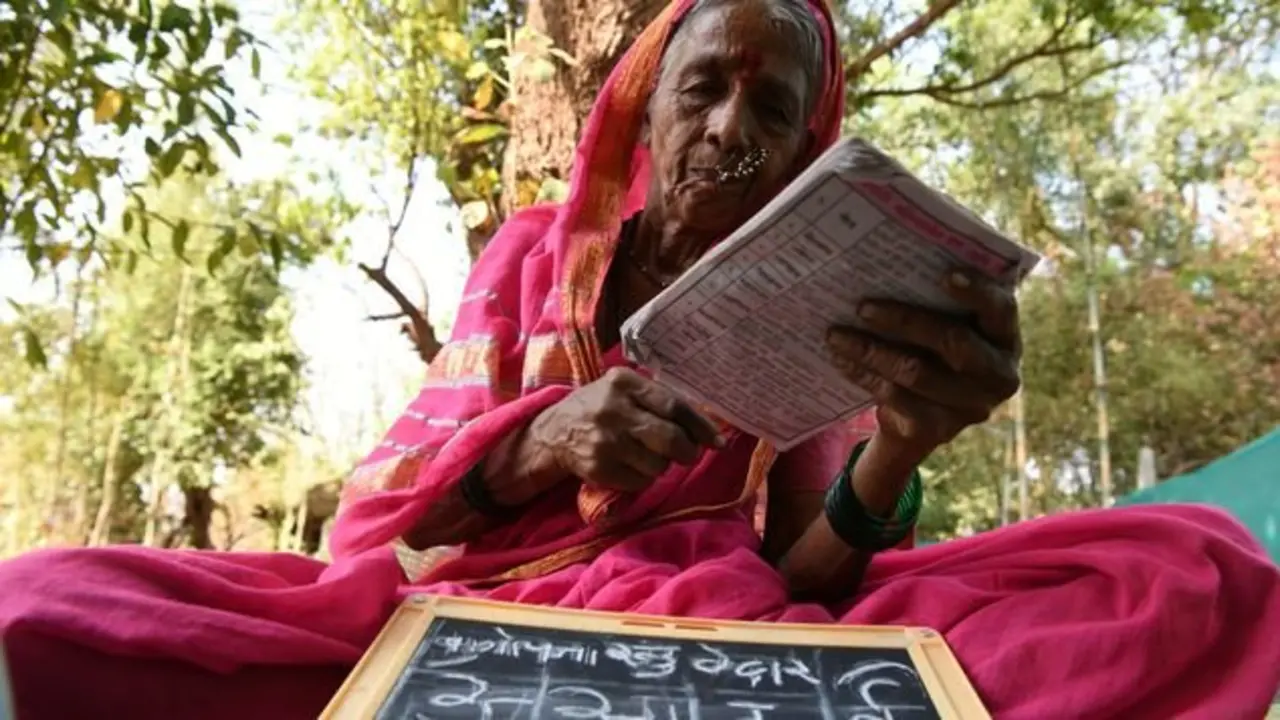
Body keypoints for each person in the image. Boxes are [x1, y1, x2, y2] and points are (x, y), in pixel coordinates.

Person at [1, 0, 1278, 717]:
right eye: (704, 87)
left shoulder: (833, 302)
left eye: (772, 107)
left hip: (728, 636)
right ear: (644, 109)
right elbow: (375, 534)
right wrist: (535, 445)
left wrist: (900, 445)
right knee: (49, 599)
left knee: (1192, 566)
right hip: (463, 619)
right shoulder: (526, 257)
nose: (732, 126)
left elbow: (809, 576)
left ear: (804, 145)